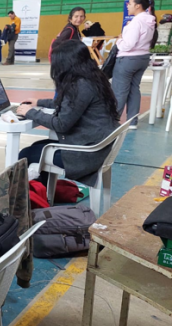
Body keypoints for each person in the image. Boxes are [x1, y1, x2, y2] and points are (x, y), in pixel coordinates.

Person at [16, 40, 119, 187]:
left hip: (86, 153)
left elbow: (61, 124)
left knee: (27, 154)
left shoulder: (81, 85)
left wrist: (30, 112)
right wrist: (39, 102)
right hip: (94, 144)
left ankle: (31, 196)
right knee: (38, 146)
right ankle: (41, 194)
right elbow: (71, 104)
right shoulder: (93, 77)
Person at [113, 0, 157, 130]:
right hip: (142, 58)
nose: (128, 5)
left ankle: (113, 121)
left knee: (119, 91)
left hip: (128, 59)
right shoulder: (150, 20)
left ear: (138, 5)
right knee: (133, 89)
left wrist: (119, 40)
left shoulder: (137, 22)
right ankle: (132, 121)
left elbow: (128, 45)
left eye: (130, 3)